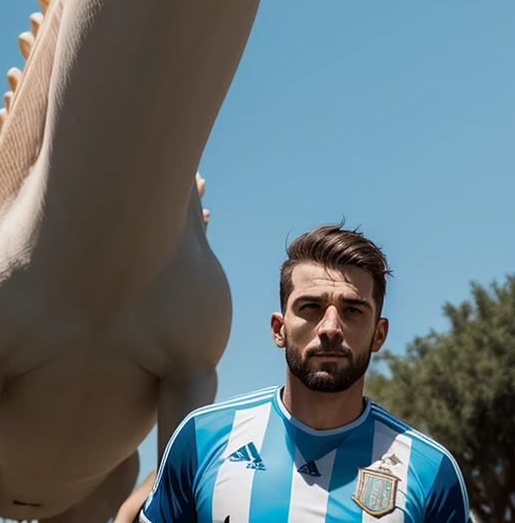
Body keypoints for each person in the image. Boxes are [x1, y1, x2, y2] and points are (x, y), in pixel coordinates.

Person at [139, 224, 469, 523]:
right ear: (279, 328)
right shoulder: (201, 438)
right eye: (310, 307)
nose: (330, 328)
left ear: (378, 335)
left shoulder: (429, 469)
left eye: (352, 310)